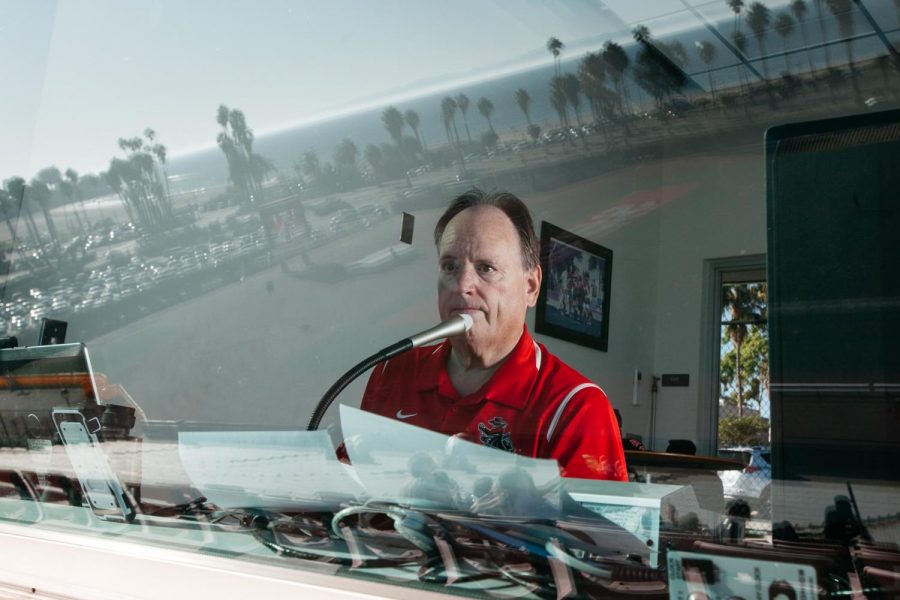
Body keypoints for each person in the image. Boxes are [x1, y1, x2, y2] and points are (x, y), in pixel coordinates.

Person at [360, 189, 627, 481]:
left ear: (531, 286)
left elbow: (587, 527)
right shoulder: (393, 371)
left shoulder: (577, 407)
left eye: (486, 268)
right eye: (450, 266)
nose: (462, 285)